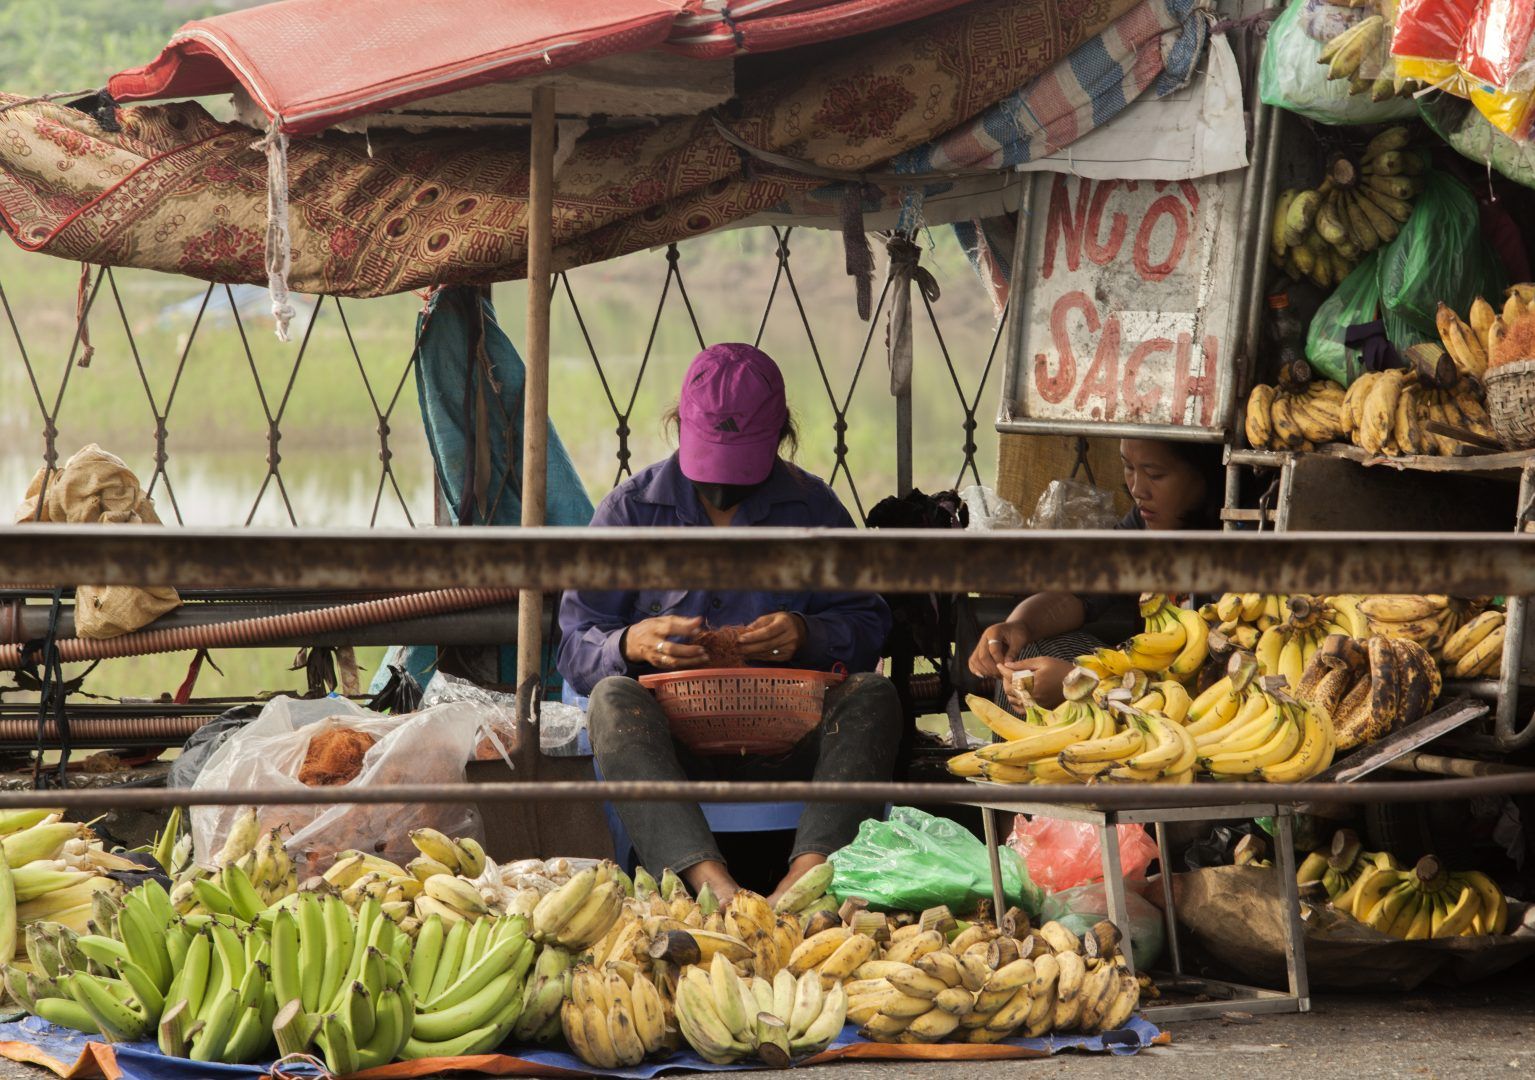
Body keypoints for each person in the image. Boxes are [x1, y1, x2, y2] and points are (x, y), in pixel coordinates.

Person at [557, 342, 899, 906]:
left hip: (792, 737)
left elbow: (868, 622)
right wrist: (630, 642)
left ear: (781, 437)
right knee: (612, 699)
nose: (722, 487)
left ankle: (805, 880)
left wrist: (806, 632)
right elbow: (575, 644)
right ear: (679, 428)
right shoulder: (630, 511)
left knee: (874, 696)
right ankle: (714, 889)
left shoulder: (814, 509)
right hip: (670, 743)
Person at [967, 438, 1224, 708]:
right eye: (1128, 468)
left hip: (1204, 711)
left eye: (1155, 475)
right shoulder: (1143, 523)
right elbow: (1080, 591)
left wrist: (1085, 684)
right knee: (1028, 653)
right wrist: (1018, 625)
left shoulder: (1243, 545)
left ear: (1207, 473)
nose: (1137, 489)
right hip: (1138, 686)